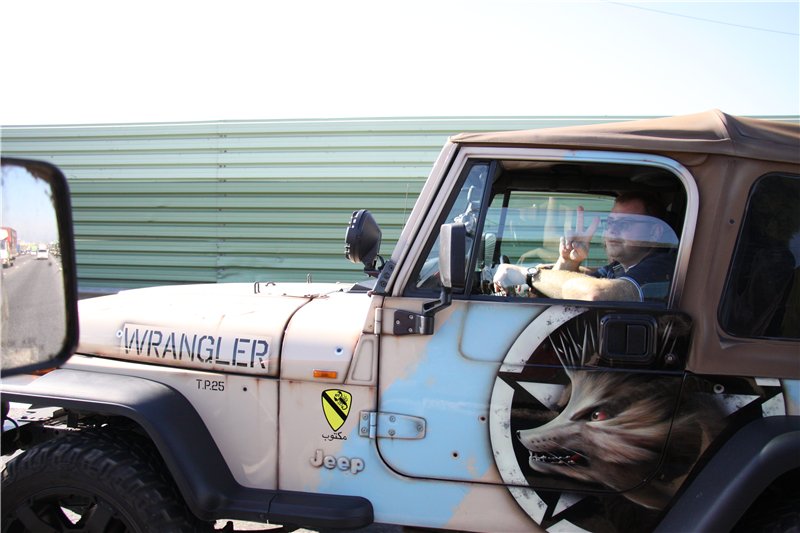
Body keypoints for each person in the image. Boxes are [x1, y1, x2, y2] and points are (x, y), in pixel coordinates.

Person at [493, 191, 677, 302]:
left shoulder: (662, 267)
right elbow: (564, 289)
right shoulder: (619, 268)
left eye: (626, 223)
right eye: (611, 222)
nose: (613, 230)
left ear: (655, 232)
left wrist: (528, 274)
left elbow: (594, 294)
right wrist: (568, 261)